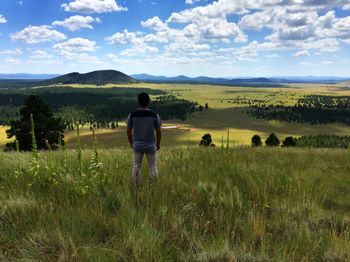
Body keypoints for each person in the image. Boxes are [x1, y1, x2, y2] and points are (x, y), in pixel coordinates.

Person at [126, 93, 162, 186]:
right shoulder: (154, 115)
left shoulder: (132, 114)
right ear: (148, 102)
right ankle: (154, 186)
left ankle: (136, 186)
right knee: (153, 166)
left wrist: (131, 143)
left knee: (136, 166)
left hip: (137, 145)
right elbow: (158, 130)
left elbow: (128, 130)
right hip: (151, 145)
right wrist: (158, 144)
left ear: (138, 102)